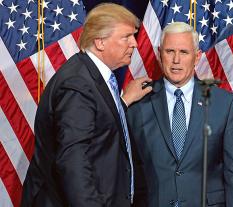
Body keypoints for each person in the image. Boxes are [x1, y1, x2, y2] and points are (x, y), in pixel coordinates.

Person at [21, 3, 152, 207]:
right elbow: (73, 160)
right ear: (100, 41)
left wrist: (123, 102)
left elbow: (98, 129)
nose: (134, 44)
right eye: (126, 37)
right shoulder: (78, 84)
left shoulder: (92, 74)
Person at [127, 22, 233, 207]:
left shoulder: (224, 104)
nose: (176, 60)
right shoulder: (137, 102)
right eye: (169, 51)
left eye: (184, 52)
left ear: (197, 56)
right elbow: (125, 170)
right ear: (160, 54)